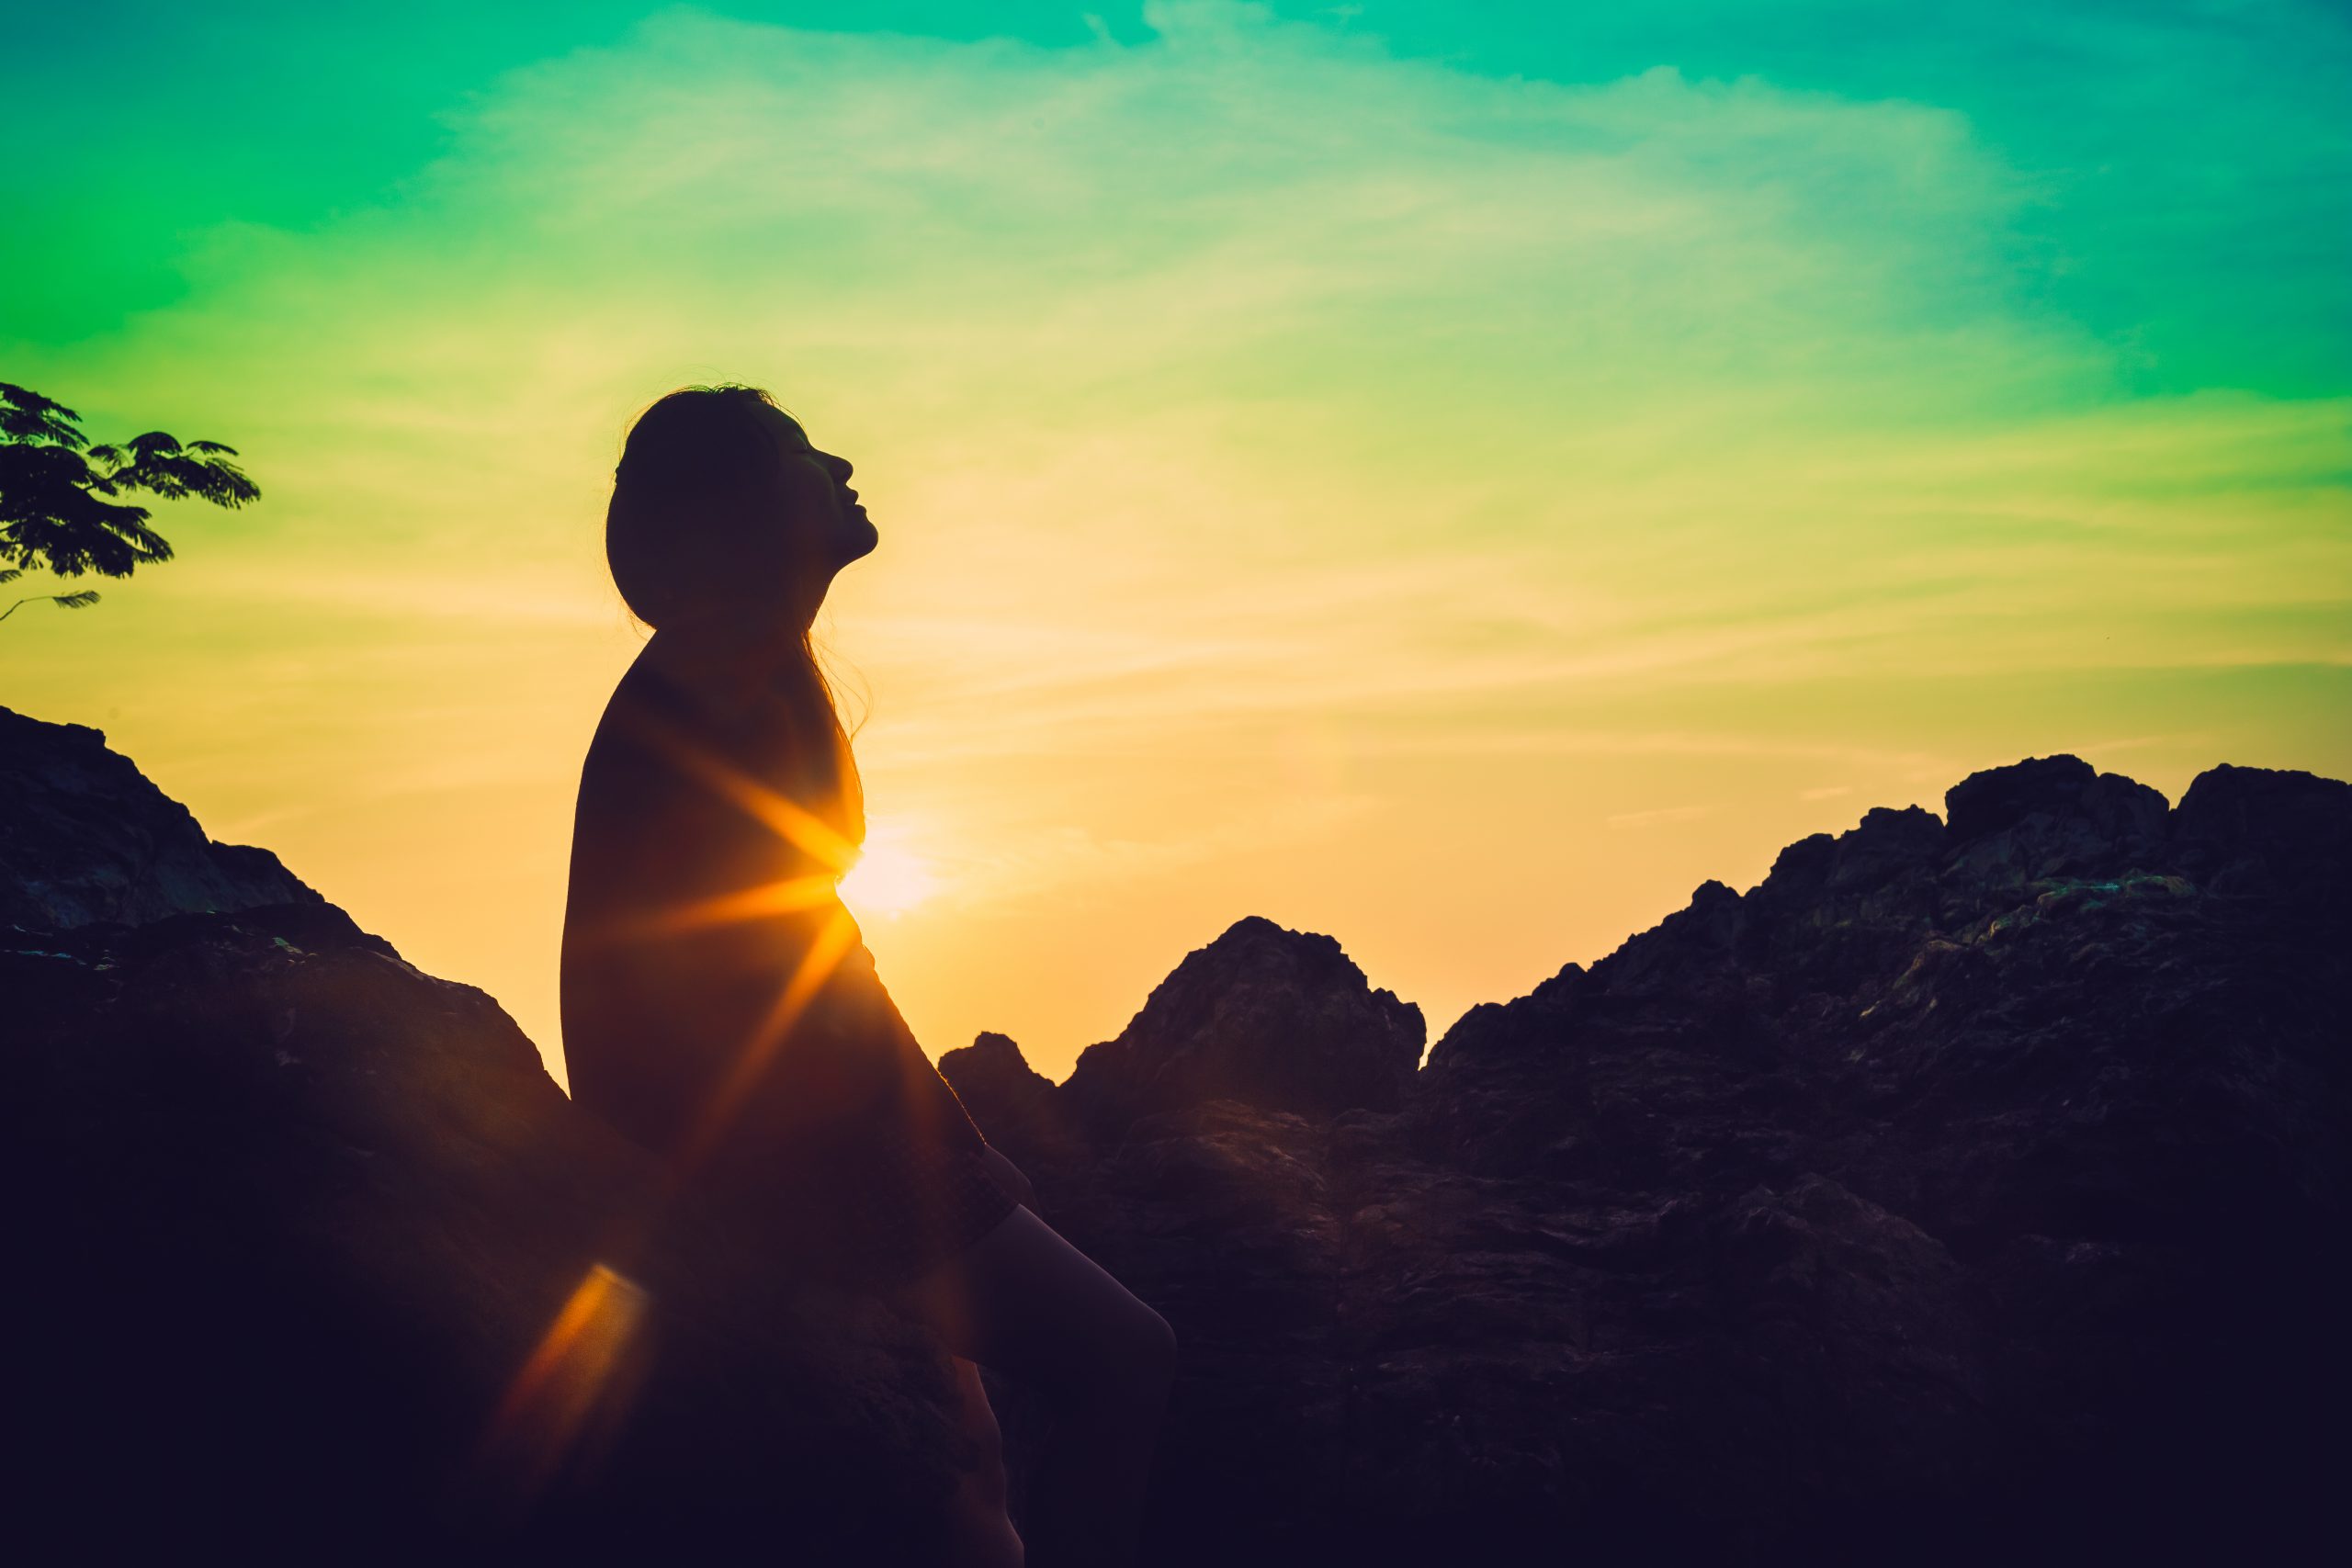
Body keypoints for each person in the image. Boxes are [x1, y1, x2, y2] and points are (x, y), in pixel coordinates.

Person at [560, 384, 1176, 1567]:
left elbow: (805, 937)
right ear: (740, 507)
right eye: (800, 455)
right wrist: (939, 1155)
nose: (840, 462)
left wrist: (944, 1143)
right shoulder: (719, 680)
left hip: (769, 1127)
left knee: (971, 1489)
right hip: (779, 1143)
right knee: (1124, 1361)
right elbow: (767, 963)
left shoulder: (744, 665)